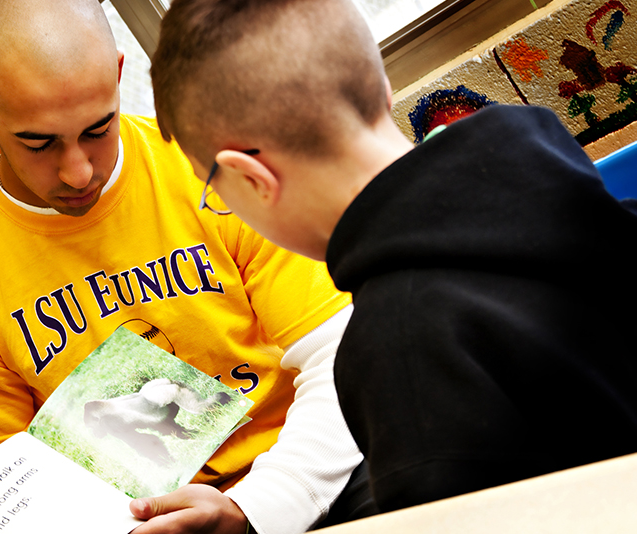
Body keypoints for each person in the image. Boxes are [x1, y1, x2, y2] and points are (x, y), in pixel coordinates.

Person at [0, 1, 375, 533]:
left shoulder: (212, 167)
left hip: (318, 473)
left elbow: (345, 353)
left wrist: (259, 508)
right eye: (39, 142)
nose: (79, 173)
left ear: (119, 75)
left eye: (98, 129)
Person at [150, 0, 637, 514]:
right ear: (380, 88)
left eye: (216, 194)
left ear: (252, 179)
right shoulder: (558, 176)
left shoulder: (396, 346)